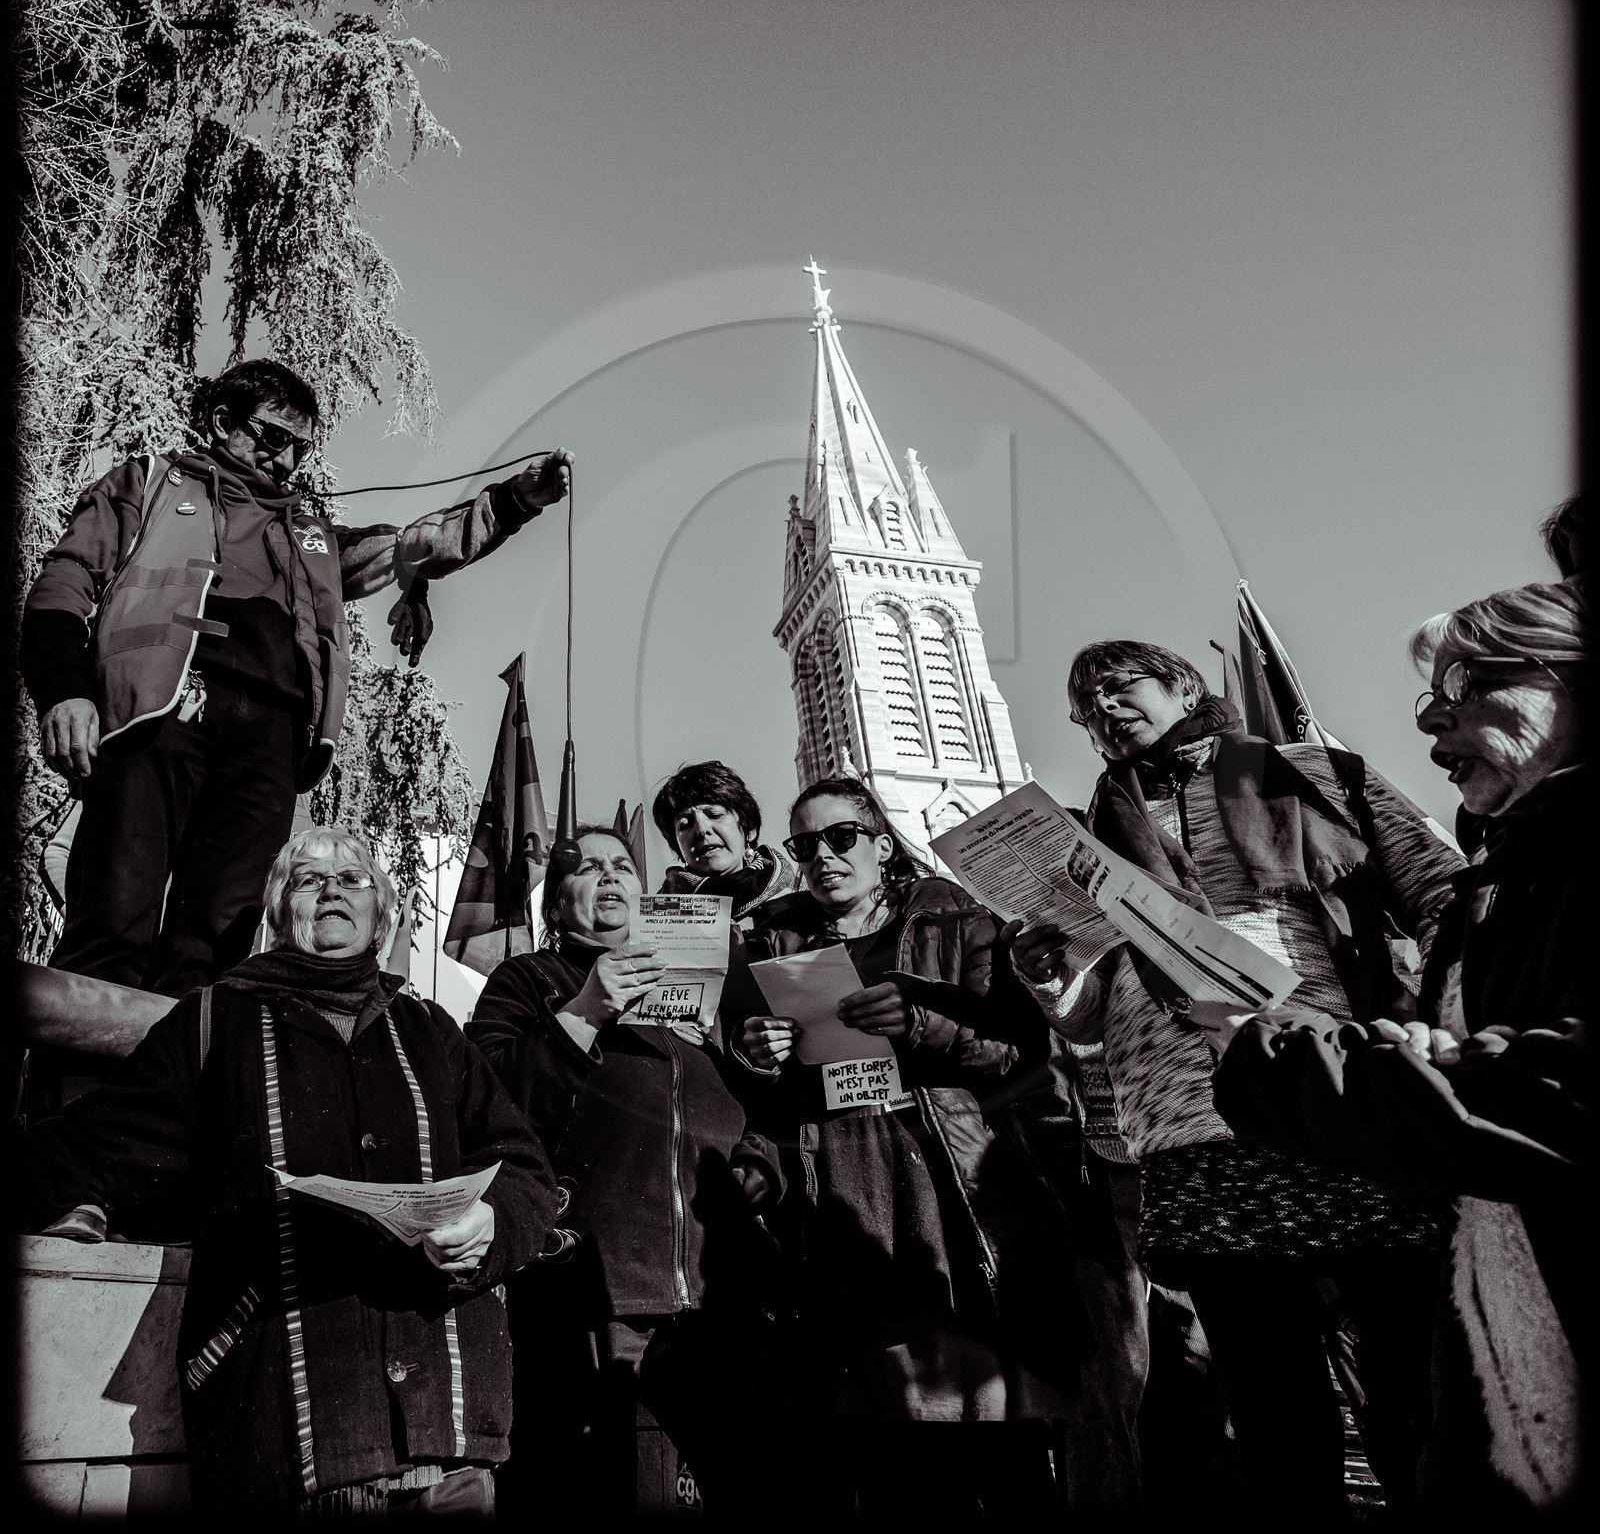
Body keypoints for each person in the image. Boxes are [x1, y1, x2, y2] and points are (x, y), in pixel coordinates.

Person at [1008, 640, 1464, 1521]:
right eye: (1085, 707)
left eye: (1119, 686)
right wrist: (1047, 975)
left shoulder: (1313, 773)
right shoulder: (1088, 838)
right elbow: (1089, 1012)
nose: (1104, 709)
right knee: (1271, 1411)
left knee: (1415, 1384)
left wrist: (1433, 1033)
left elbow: (1439, 893)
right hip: (1189, 1126)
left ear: (1184, 685)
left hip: (1335, 1095)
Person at [11, 826, 556, 1516]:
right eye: (307, 879)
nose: (331, 889)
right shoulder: (213, 1023)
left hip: (447, 1440)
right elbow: (90, 1146)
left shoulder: (432, 1030)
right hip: (287, 1433)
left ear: (382, 914)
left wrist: (489, 1225)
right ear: (278, 912)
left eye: (353, 879)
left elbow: (523, 1168)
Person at [1215, 578, 1591, 1519]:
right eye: (1431, 697)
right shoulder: (1493, 886)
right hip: (1499, 1373)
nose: (1431, 724)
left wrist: (1290, 1070)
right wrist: (1424, 1061)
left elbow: (1564, 1098)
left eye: (1467, 685)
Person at [20, 358, 573, 997]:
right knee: (114, 913)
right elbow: (63, 583)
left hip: (270, 746)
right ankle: (79, 1064)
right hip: (158, 715)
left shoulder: (313, 539)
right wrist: (64, 690)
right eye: (272, 436)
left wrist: (513, 500)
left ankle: (185, 1060)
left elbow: (417, 545)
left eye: (299, 448)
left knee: (218, 940)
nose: (285, 459)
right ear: (222, 421)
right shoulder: (147, 485)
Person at [738, 776, 1089, 1526]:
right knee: (894, 1474)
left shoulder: (954, 916)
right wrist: (757, 1052)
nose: (823, 856)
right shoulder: (774, 945)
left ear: (881, 844)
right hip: (844, 1216)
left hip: (959, 1208)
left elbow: (1019, 1054)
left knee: (1005, 1457)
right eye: (805, 845)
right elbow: (762, 1099)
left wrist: (920, 1024)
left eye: (841, 837)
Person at [464, 825, 798, 1528]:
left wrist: (760, 1163)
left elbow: (758, 1109)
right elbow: (484, 1098)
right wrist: (585, 1012)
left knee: (770, 1488)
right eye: (587, 868)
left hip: (722, 1290)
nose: (610, 875)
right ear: (557, 905)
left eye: (622, 865)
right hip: (593, 1290)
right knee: (593, 1498)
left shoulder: (702, 984)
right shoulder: (529, 979)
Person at [652, 758, 799, 925]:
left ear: (749, 829)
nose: (702, 830)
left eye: (715, 815)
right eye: (685, 824)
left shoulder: (804, 899)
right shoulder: (658, 919)